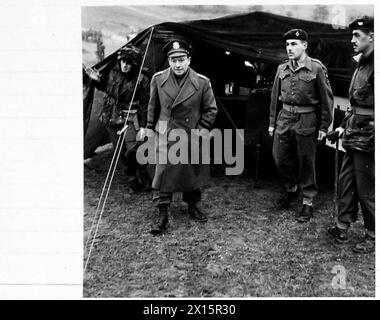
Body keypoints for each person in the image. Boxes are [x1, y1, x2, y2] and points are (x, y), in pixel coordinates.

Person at [145, 39, 218, 235]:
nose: (177, 65)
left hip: (190, 133)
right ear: (168, 61)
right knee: (163, 173)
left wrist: (200, 130)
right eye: (173, 60)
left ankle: (193, 205)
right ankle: (163, 213)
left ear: (189, 59)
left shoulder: (202, 82)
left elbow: (211, 110)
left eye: (181, 59)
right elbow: (153, 107)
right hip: (166, 133)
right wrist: (151, 128)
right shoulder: (158, 79)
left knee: (191, 173)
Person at [268, 29, 334, 222]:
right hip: (284, 117)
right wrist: (272, 122)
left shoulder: (316, 68)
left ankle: (308, 201)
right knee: (279, 157)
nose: (289, 48)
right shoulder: (282, 69)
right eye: (287, 44)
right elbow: (274, 97)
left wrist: (324, 127)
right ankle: (291, 188)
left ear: (304, 45)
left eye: (294, 44)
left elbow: (326, 99)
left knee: (306, 161)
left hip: (307, 120)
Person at [327, 16, 374, 254]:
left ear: (372, 37)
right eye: (352, 35)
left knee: (367, 189)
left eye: (357, 35)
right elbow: (355, 106)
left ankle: (373, 236)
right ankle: (342, 226)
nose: (352, 40)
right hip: (354, 132)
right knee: (346, 181)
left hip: (370, 137)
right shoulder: (361, 65)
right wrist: (341, 128)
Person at [84, 45, 151, 192]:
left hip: (130, 119)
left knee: (133, 150)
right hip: (111, 118)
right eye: (123, 62)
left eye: (129, 63)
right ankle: (132, 178)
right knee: (120, 152)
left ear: (134, 64)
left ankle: (143, 173)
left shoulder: (141, 79)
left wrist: (144, 126)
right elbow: (107, 89)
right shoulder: (112, 73)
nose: (125, 65)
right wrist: (97, 81)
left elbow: (146, 104)